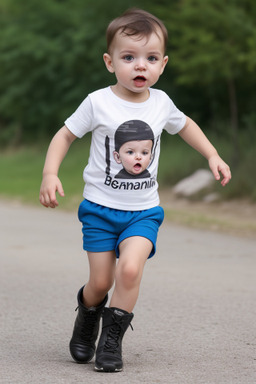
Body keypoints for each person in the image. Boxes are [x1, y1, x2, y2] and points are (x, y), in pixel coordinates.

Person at [39, 8, 231, 373]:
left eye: (151, 58)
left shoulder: (161, 104)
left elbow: (186, 125)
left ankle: (111, 342)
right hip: (99, 209)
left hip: (143, 211)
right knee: (100, 282)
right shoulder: (98, 102)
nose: (140, 66)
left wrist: (212, 154)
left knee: (129, 271)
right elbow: (65, 135)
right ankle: (87, 314)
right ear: (110, 62)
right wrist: (50, 173)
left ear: (163, 64)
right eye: (129, 57)